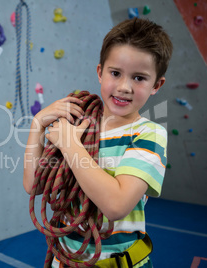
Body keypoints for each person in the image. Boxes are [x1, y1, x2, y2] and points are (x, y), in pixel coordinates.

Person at [23, 17, 173, 268]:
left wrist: (70, 145)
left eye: (139, 78)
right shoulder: (78, 123)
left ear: (157, 85)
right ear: (99, 72)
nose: (124, 87)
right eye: (115, 73)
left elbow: (115, 205)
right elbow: (33, 184)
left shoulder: (148, 134)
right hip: (65, 261)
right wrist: (37, 124)